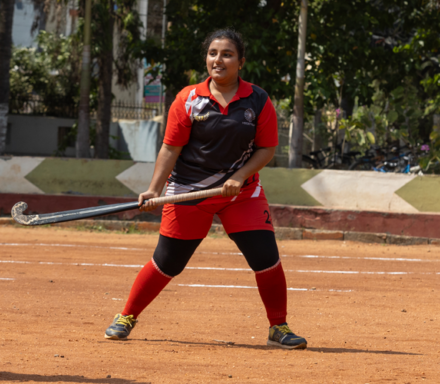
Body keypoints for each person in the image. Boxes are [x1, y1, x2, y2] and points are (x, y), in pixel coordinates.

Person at [103, 29, 307, 349]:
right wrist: (154, 189)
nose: (218, 59)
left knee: (266, 257)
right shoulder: (188, 99)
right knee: (168, 262)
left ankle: (278, 327)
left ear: (241, 61)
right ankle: (126, 316)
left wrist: (239, 177)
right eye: (213, 53)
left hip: (241, 194)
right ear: (206, 59)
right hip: (189, 191)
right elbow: (170, 148)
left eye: (227, 54)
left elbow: (266, 149)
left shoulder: (258, 99)